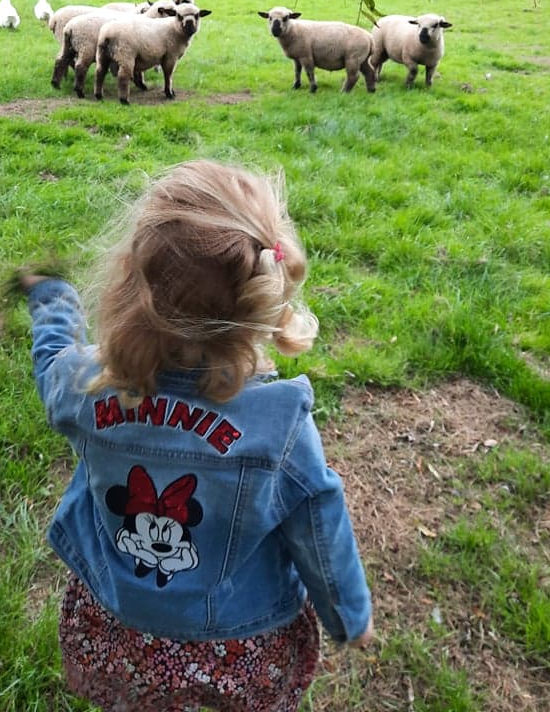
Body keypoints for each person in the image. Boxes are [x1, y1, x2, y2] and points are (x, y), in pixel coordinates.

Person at [18, 159, 372, 712]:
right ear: (263, 295)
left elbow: (52, 367)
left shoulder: (89, 386)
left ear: (129, 286)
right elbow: (319, 527)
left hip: (121, 627)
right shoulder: (279, 427)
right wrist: (350, 617)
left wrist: (53, 304)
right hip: (241, 643)